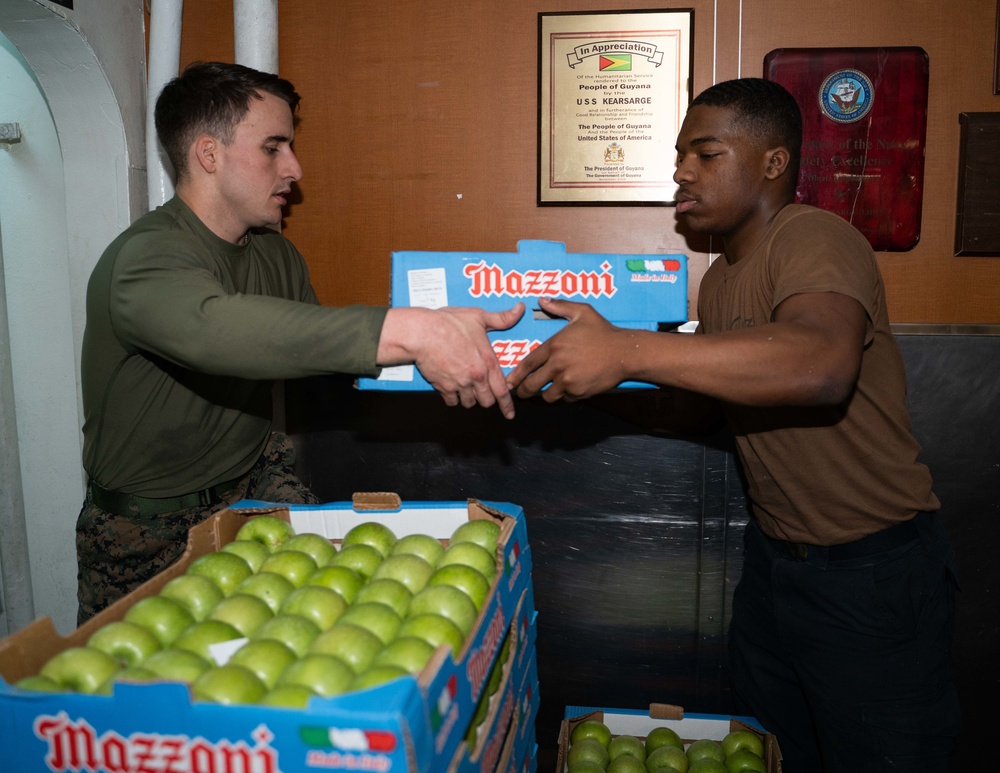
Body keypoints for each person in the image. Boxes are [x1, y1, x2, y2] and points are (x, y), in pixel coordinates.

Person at [507, 78, 960, 773]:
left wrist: (625, 348)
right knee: (774, 749)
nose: (682, 171)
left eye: (706, 153)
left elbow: (820, 364)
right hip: (778, 564)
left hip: (872, 570)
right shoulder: (718, 281)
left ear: (773, 163)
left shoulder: (815, 237)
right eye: (680, 156)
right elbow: (695, 411)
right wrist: (583, 384)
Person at [76, 61, 524, 624]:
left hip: (250, 494)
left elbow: (316, 352)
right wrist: (413, 329)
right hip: (146, 531)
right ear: (209, 155)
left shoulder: (274, 254)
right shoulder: (144, 259)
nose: (295, 168)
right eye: (273, 148)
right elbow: (215, 330)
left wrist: (501, 355)